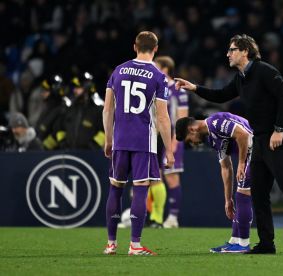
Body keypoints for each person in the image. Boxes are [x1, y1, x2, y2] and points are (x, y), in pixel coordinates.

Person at [175, 34, 283, 255]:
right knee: (258, 193)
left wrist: (278, 130)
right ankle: (267, 243)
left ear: (245, 51)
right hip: (259, 139)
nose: (228, 54)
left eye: (232, 50)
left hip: (277, 138)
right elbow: (220, 96)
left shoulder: (264, 70)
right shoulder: (241, 78)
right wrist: (195, 88)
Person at [102, 31, 174, 256]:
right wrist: (170, 150)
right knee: (140, 189)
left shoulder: (118, 70)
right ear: (156, 49)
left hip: (120, 139)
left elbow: (107, 109)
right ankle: (135, 245)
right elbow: (162, 117)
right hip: (144, 141)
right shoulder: (158, 76)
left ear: (135, 46)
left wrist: (108, 139)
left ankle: (111, 244)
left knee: (116, 188)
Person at [175, 112, 253, 253]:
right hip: (250, 153)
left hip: (257, 148)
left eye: (189, 140)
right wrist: (227, 199)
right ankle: (235, 241)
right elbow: (226, 167)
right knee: (239, 196)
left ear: (192, 130)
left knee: (243, 194)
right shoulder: (212, 138)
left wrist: (241, 163)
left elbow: (244, 135)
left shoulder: (215, 123)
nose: (192, 143)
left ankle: (243, 244)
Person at [154, 56, 189, 228]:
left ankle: (173, 217)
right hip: (155, 139)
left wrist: (175, 141)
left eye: (156, 66)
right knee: (154, 177)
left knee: (172, 177)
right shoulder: (155, 88)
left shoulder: (177, 90)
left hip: (172, 138)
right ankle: (154, 216)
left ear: (165, 69)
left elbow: (182, 118)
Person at [56, 72, 105, 150]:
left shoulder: (98, 111)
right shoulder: (68, 109)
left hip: (90, 158)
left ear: (87, 89)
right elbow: (59, 129)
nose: (75, 90)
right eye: (74, 88)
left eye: (78, 88)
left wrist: (92, 147)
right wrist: (63, 144)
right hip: (69, 155)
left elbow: (104, 132)